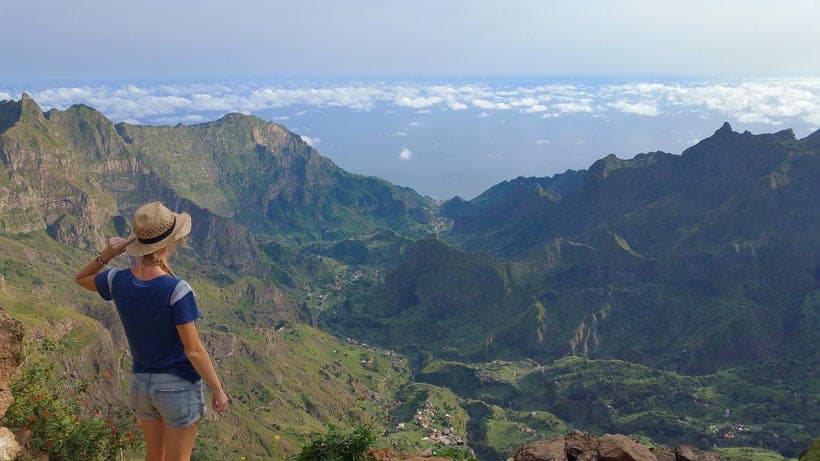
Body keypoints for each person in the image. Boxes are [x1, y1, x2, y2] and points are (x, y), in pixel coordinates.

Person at [75, 201, 229, 461]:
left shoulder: (117, 280)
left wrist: (108, 254)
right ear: (170, 243)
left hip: (140, 386)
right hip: (176, 386)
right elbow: (193, 350)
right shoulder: (176, 290)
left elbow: (81, 278)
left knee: (153, 456)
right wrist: (218, 389)